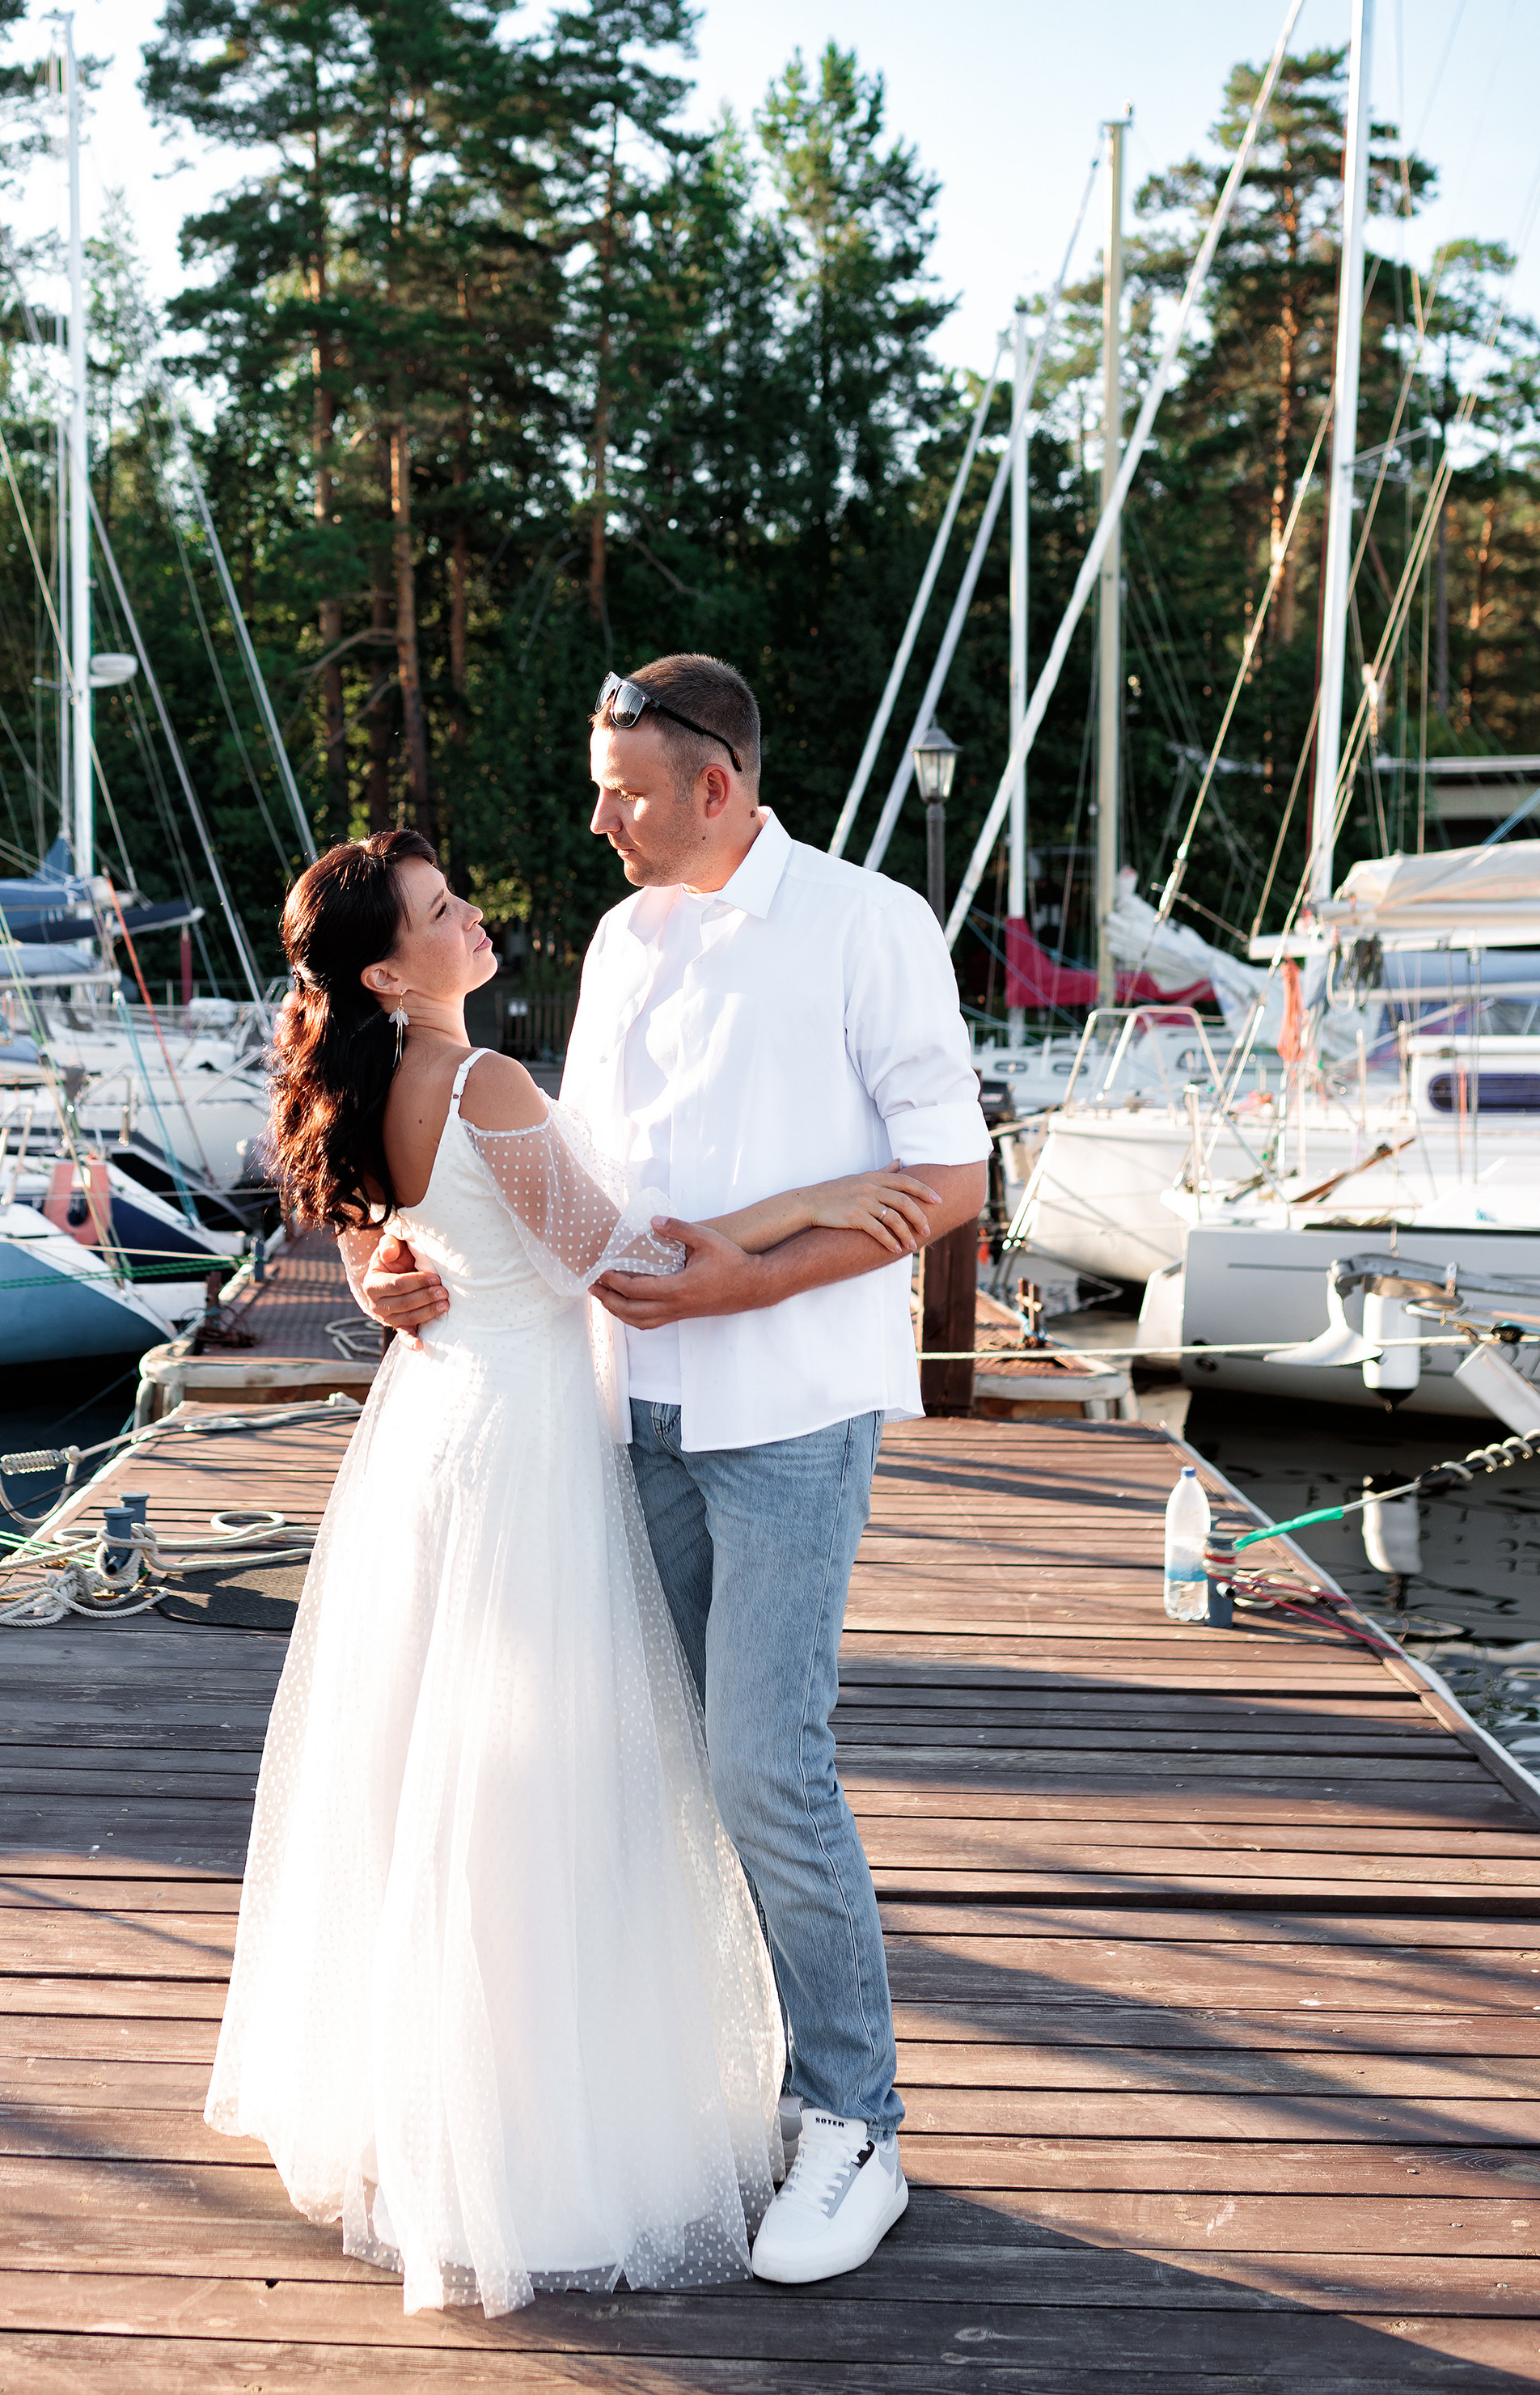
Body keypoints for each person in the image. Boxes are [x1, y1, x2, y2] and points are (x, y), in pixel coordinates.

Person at [207, 825, 947, 2317]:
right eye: (439, 910)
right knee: (543, 1786)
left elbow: (399, 1232)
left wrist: (392, 1272)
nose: (471, 914)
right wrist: (829, 1207)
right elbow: (620, 1261)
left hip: (442, 1426)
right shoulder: (483, 1081)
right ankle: (541, 2125)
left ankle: (461, 2101)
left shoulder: (385, 1084)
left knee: (449, 1771)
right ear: (385, 968)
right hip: (533, 1433)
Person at [359, 655, 991, 2283]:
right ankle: (684, 2091)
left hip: (785, 1409)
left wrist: (749, 1277)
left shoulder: (868, 925)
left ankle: (855, 2125)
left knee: (763, 1764)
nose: (597, 818)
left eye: (621, 790)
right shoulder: (625, 945)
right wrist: (401, 1260)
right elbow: (573, 1175)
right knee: (630, 1769)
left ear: (715, 786)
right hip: (617, 1409)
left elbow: (940, 1176)